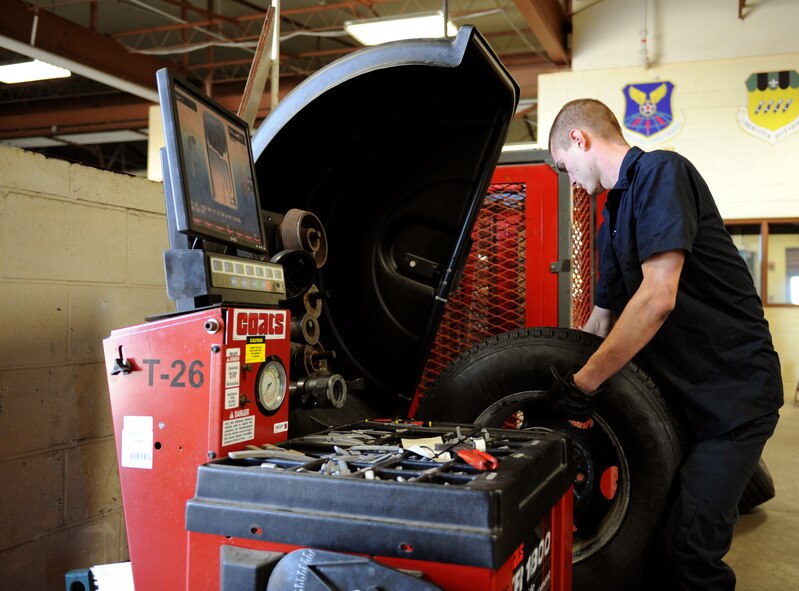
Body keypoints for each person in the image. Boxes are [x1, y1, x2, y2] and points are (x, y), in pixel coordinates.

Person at [546, 98, 783, 589]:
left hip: (732, 398)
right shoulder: (611, 216)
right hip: (686, 400)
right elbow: (602, 319)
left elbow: (657, 297)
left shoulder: (660, 172)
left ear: (578, 139)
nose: (568, 180)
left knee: (686, 558)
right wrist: (561, 389)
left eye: (564, 167)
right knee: (648, 550)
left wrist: (587, 382)